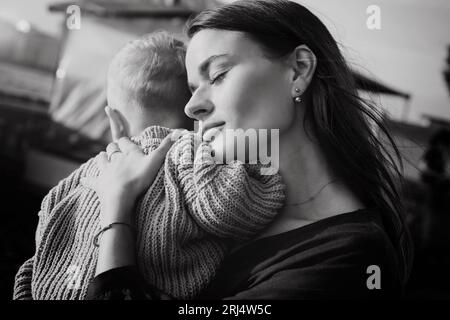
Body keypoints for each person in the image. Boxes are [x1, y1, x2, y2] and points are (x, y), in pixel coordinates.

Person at [80, 0, 413, 299]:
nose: (192, 107)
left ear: (298, 69)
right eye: (193, 89)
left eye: (219, 74)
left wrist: (116, 210)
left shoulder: (351, 257)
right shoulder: (214, 207)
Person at [13, 31, 285, 300]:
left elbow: (37, 264)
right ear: (194, 111)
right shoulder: (190, 158)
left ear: (115, 122)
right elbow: (237, 207)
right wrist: (255, 154)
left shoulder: (76, 181)